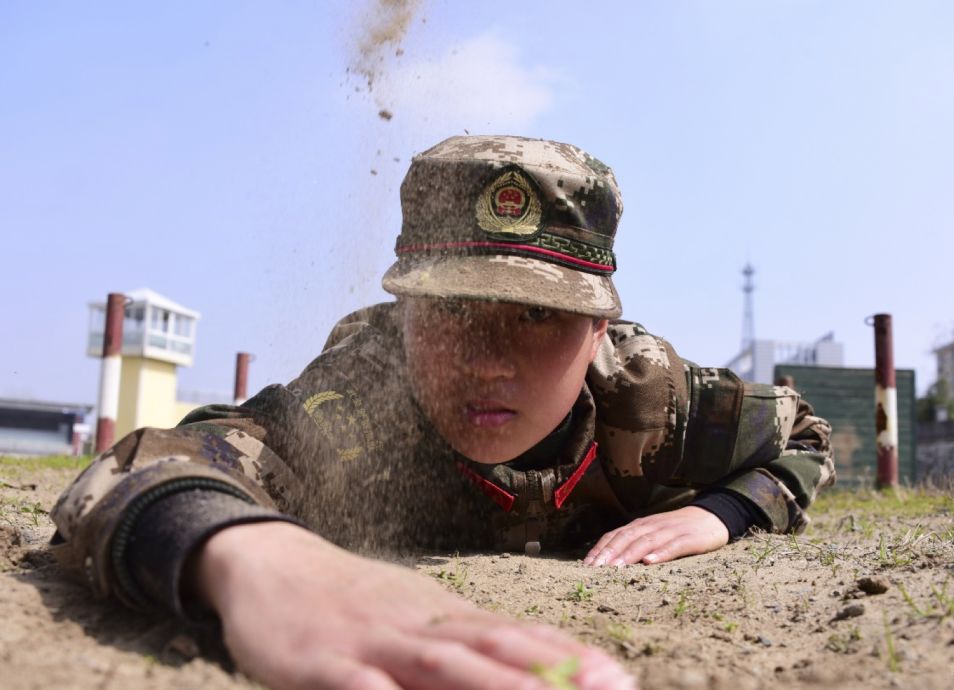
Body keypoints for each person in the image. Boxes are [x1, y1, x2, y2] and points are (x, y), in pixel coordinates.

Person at [50, 135, 835, 690]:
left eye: (536, 316)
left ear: (600, 325)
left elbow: (803, 435)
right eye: (452, 310)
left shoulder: (649, 395)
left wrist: (726, 512)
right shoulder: (360, 400)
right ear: (402, 313)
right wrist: (249, 557)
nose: (488, 359)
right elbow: (158, 463)